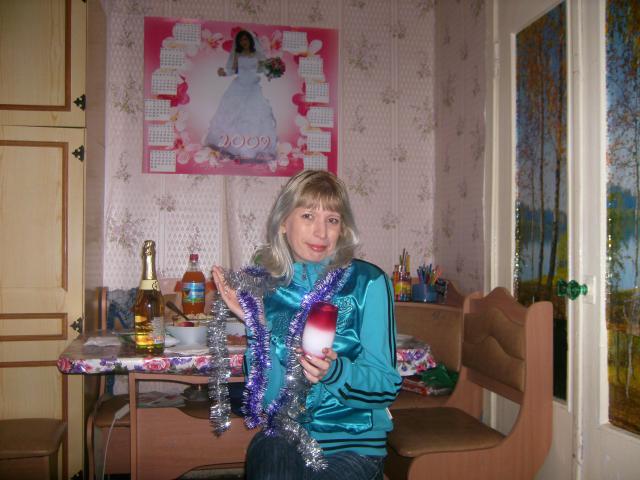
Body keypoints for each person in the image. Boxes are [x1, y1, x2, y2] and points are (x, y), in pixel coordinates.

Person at [212, 170, 401, 480]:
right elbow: (267, 401)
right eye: (308, 216)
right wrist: (258, 326)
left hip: (352, 445)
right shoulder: (265, 289)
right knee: (272, 460)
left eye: (332, 220)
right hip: (284, 437)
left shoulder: (368, 283)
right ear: (283, 222)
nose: (321, 232)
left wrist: (336, 373)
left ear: (342, 229)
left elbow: (386, 387)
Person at [205, 29, 277, 163]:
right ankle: (234, 148)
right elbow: (231, 70)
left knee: (253, 116)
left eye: (246, 39)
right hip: (238, 87)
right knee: (233, 115)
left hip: (253, 88)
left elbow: (265, 69)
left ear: (250, 40)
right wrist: (223, 72)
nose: (244, 42)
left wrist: (273, 71)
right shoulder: (237, 55)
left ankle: (251, 150)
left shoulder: (257, 55)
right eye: (241, 40)